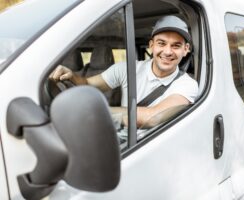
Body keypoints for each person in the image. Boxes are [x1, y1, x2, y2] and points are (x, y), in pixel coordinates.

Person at [50, 15, 198, 128]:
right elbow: (88, 83)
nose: (167, 51)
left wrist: (93, 110)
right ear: (151, 45)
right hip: (124, 139)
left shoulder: (188, 84)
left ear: (186, 50)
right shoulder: (126, 69)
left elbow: (153, 118)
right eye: (161, 43)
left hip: (155, 144)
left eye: (176, 46)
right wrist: (71, 76)